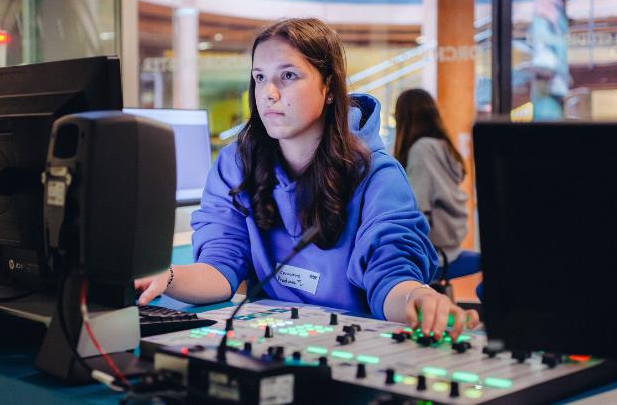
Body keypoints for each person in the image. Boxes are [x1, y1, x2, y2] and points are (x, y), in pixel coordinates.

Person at [135, 18, 479, 340]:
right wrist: (166, 275)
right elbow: (220, 268)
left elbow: (390, 279)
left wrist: (418, 298)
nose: (268, 92)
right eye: (259, 77)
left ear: (329, 87)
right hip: (268, 345)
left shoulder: (378, 176)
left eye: (287, 76)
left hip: (355, 351)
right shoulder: (235, 164)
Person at [392, 88, 481, 288]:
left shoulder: (421, 150)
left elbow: (416, 209)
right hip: (451, 245)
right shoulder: (442, 146)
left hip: (434, 253)